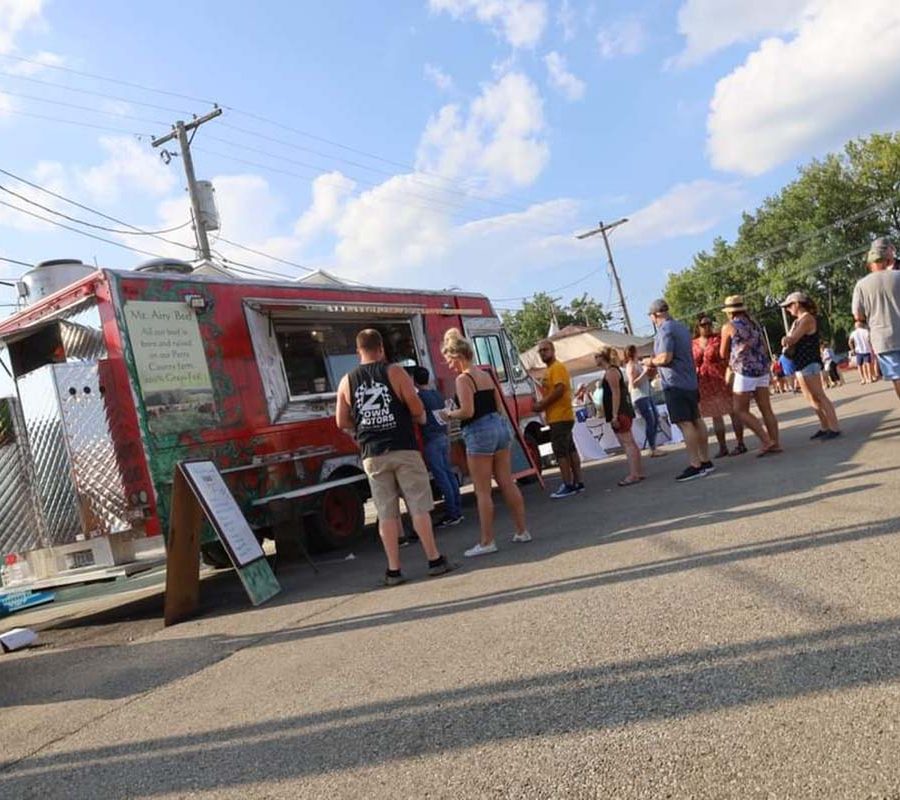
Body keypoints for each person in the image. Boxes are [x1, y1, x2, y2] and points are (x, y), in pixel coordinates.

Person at [336, 329, 454, 586]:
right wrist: (413, 417)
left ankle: (393, 570)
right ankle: (433, 560)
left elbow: (341, 420)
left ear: (358, 351)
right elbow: (416, 406)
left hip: (372, 454)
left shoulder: (346, 380)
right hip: (403, 448)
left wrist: (360, 433)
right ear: (381, 348)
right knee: (418, 505)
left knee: (386, 512)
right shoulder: (394, 372)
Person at [441, 328, 530, 557]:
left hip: (478, 431)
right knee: (507, 481)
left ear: (458, 357)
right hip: (499, 427)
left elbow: (467, 410)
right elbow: (500, 405)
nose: (449, 366)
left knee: (482, 491)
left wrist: (449, 414)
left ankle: (487, 541)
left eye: (449, 361)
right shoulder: (486, 375)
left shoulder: (463, 379)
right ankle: (522, 530)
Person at [643, 299, 713, 482]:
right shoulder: (680, 327)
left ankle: (695, 464)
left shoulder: (665, 330)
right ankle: (705, 460)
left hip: (675, 383)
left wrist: (650, 361)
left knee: (685, 423)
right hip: (690, 380)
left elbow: (666, 357)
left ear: (654, 315)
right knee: (697, 420)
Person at [720, 295, 781, 456]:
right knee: (766, 408)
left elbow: (722, 352)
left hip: (744, 370)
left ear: (729, 312)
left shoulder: (729, 327)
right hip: (761, 369)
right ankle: (775, 442)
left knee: (740, 410)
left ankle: (766, 440)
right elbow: (764, 346)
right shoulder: (754, 325)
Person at [781, 292, 841, 440]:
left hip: (810, 361)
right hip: (801, 362)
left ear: (797, 304)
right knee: (810, 397)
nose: (788, 309)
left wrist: (786, 339)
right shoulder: (798, 321)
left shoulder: (807, 319)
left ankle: (834, 427)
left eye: (789, 306)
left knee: (819, 395)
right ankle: (824, 426)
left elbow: (793, 339)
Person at [412, 366, 463, 528]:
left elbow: (421, 419)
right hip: (443, 437)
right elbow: (446, 416)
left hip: (431, 439)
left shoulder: (420, 398)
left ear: (414, 381)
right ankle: (457, 510)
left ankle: (451, 514)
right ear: (428, 379)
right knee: (449, 474)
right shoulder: (437, 395)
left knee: (441, 477)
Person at [533, 338, 584, 498]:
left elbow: (560, 389)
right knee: (569, 448)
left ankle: (568, 484)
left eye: (545, 349)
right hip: (561, 416)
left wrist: (541, 404)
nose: (543, 353)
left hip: (560, 416)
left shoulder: (557, 367)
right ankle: (577, 482)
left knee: (561, 451)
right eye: (540, 350)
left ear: (553, 351)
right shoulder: (550, 370)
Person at [852, 237, 900, 402]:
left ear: (870, 264)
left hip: (884, 340)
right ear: (886, 260)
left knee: (897, 377)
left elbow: (858, 315)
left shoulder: (861, 285)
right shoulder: (898, 276)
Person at [692, 315, 746, 457]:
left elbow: (729, 354)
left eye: (709, 323)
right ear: (697, 327)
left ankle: (740, 443)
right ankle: (722, 447)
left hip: (722, 378)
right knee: (715, 416)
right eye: (704, 324)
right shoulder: (693, 344)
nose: (708, 326)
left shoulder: (718, 338)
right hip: (705, 383)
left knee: (733, 411)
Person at [594, 347, 643, 486]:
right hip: (621, 410)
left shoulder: (611, 372)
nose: (595, 359)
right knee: (630, 442)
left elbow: (616, 394)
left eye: (597, 356)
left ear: (602, 357)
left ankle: (634, 474)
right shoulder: (612, 371)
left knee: (627, 442)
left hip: (620, 411)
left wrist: (615, 415)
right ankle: (637, 472)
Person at [623, 345, 665, 457]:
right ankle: (652, 448)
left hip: (647, 394)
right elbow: (634, 383)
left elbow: (648, 377)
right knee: (650, 420)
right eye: (637, 351)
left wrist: (651, 371)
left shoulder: (639, 364)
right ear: (633, 353)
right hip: (640, 396)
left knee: (655, 419)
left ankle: (653, 446)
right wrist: (644, 373)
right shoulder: (631, 366)